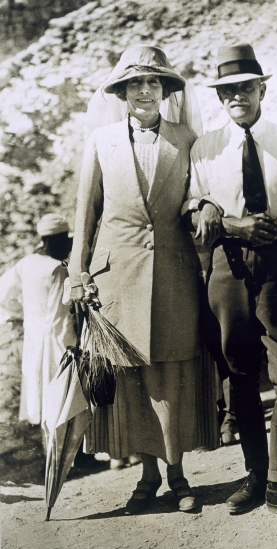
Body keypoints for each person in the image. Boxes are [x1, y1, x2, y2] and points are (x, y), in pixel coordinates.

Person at [182, 43, 277, 521]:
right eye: (227, 90)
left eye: (245, 87)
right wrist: (224, 221)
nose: (236, 97)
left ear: (261, 88)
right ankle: (255, 475)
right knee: (239, 375)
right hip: (226, 266)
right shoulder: (205, 147)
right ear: (219, 96)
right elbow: (191, 205)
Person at [69, 45, 204, 514]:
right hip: (116, 276)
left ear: (165, 91)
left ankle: (178, 475)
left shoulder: (186, 139)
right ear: (123, 93)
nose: (144, 91)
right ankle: (146, 478)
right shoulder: (101, 141)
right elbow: (85, 211)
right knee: (131, 379)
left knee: (170, 374)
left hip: (173, 273)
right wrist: (77, 274)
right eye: (135, 84)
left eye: (153, 83)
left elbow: (197, 198)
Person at [0, 213, 75, 425]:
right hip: (58, 343)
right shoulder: (58, 269)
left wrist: (21, 315)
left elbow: (3, 293)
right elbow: (60, 317)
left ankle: (55, 454)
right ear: (52, 240)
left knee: (42, 400)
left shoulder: (27, 263)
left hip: (35, 342)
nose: (68, 247)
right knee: (61, 400)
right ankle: (66, 457)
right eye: (65, 241)